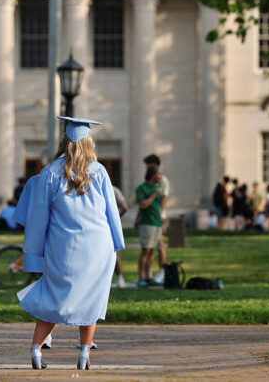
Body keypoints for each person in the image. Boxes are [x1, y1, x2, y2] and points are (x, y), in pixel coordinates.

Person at [19, 116, 124, 371]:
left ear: (64, 141)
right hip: (97, 246)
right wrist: (117, 242)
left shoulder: (51, 172)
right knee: (91, 297)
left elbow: (40, 214)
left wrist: (34, 249)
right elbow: (112, 210)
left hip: (63, 246)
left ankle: (35, 350)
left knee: (53, 296)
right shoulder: (98, 171)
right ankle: (85, 353)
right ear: (88, 143)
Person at [135, 166, 164, 287]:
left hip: (157, 223)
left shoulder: (158, 188)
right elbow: (143, 205)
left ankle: (149, 276)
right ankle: (141, 277)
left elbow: (159, 207)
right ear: (153, 175)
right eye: (159, 174)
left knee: (152, 250)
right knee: (145, 250)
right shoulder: (141, 188)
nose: (161, 177)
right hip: (146, 223)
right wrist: (154, 194)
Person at [143, 154, 169, 282]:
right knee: (151, 248)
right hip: (152, 217)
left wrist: (161, 217)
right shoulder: (150, 179)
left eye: (148, 164)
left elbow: (163, 199)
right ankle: (149, 273)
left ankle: (162, 271)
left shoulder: (161, 180)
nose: (146, 167)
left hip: (158, 217)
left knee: (160, 247)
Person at [112, 183, 129, 288]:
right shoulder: (114, 189)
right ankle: (120, 278)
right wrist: (115, 218)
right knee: (115, 254)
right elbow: (125, 207)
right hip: (111, 225)